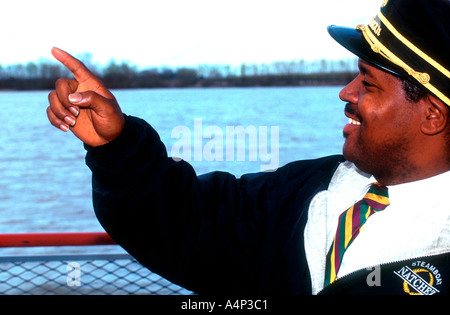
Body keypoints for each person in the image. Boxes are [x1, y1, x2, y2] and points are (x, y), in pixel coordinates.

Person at [47, 0, 449, 295]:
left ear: (432, 115)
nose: (346, 92)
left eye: (368, 82)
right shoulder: (305, 187)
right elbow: (186, 221)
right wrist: (118, 148)